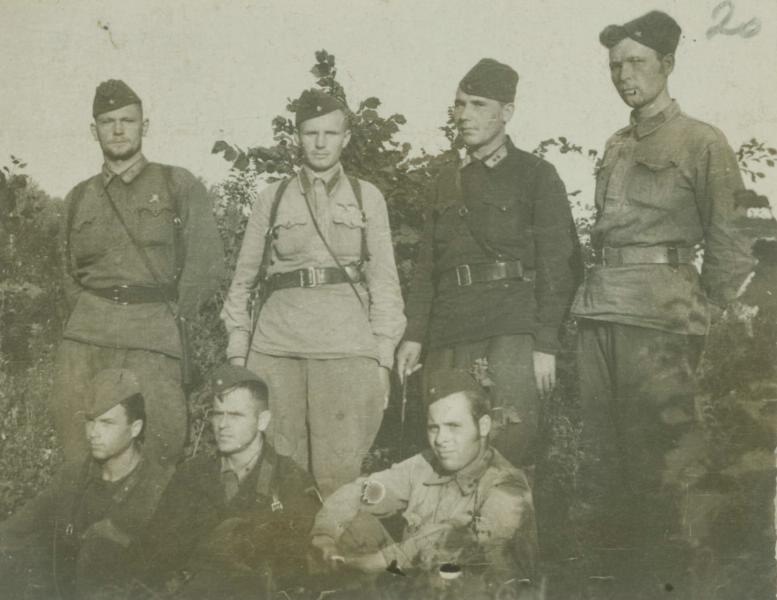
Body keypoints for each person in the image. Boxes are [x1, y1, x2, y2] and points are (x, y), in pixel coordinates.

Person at [570, 11, 756, 598]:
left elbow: (730, 238)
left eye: (636, 63)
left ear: (667, 65)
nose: (624, 75)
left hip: (661, 316)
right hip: (601, 309)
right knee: (605, 462)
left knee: (662, 464)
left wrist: (723, 321)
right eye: (615, 66)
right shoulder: (616, 144)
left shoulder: (702, 141)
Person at [221, 89, 406, 496]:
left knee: (338, 477)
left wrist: (383, 357)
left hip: (346, 350)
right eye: (310, 133)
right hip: (276, 349)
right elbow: (242, 283)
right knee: (276, 474)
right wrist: (238, 355)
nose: (320, 143)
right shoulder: (272, 199)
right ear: (297, 138)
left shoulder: (367, 197)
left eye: (330, 133)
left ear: (346, 138)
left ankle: (333, 538)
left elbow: (385, 283)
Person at [396, 59, 579, 471]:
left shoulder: (536, 175)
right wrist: (414, 334)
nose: (465, 115)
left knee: (509, 447)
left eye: (479, 105)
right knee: (445, 448)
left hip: (509, 329)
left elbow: (560, 265)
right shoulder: (445, 181)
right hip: (448, 331)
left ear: (507, 112)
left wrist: (545, 343)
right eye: (460, 104)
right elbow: (427, 268)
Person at [56, 79, 225, 466]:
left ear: (144, 126)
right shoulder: (79, 197)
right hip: (86, 340)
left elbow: (206, 262)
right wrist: (88, 312)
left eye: (128, 121)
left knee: (161, 445)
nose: (118, 130)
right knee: (77, 448)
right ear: (94, 130)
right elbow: (66, 269)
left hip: (153, 334)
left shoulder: (176, 184)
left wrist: (174, 315)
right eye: (108, 121)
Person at [310, 368, 538, 598]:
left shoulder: (507, 482)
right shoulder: (425, 465)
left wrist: (383, 560)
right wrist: (324, 536)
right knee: (354, 522)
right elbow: (362, 492)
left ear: (483, 426)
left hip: (477, 590)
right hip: (419, 583)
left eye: (454, 426)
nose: (441, 439)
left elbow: (468, 544)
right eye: (434, 428)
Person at [133, 364, 320, 599]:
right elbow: (154, 552)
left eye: (235, 415)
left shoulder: (290, 480)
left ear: (262, 421)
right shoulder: (191, 474)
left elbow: (301, 573)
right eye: (217, 414)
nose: (222, 425)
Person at [0, 369, 173, 600]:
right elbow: (19, 526)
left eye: (107, 423)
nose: (93, 433)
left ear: (135, 428)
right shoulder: (73, 477)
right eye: (90, 421)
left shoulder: (161, 488)